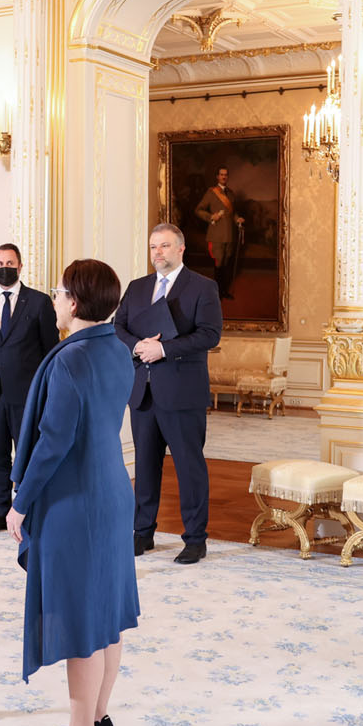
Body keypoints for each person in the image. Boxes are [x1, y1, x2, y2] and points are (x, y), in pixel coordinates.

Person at [4, 258, 138, 726]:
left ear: (75, 303)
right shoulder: (118, 350)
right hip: (111, 492)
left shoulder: (70, 360)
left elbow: (53, 442)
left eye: (59, 293)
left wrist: (19, 503)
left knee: (81, 621)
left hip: (73, 502)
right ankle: (98, 719)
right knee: (104, 616)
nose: (54, 300)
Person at [113, 223, 223, 564]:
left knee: (189, 468)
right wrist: (138, 346)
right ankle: (142, 533)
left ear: (180, 249)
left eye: (164, 246)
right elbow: (118, 327)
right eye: (152, 247)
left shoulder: (203, 287)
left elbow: (210, 334)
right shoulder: (137, 287)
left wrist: (165, 350)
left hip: (182, 393)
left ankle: (194, 539)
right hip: (142, 393)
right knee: (145, 467)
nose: (157, 253)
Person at [0, 243, 58, 534]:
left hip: (27, 395)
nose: (4, 268)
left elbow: (51, 350)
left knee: (27, 455)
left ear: (20, 267)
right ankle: (0, 512)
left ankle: (28, 512)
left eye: (9, 262)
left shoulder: (39, 302)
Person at [193, 167, 244, 299]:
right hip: (216, 235)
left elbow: (232, 213)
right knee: (218, 264)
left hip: (229, 235)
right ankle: (217, 293)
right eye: (221, 175)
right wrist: (211, 217)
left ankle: (224, 291)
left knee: (226, 264)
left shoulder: (231, 193)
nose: (224, 177)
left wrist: (237, 219)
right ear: (217, 177)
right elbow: (198, 210)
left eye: (226, 175)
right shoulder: (211, 192)